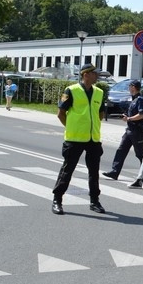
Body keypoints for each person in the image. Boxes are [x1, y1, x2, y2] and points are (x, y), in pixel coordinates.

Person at [51, 64, 106, 215]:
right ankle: (57, 199)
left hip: (93, 139)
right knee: (67, 170)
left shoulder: (99, 92)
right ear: (86, 74)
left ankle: (94, 201)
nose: (97, 76)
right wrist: (71, 127)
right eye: (95, 73)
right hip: (74, 138)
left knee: (94, 172)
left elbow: (100, 114)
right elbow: (61, 113)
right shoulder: (71, 90)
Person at [102, 80, 143, 182]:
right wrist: (127, 117)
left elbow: (142, 115)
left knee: (140, 154)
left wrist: (129, 118)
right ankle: (115, 172)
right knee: (121, 150)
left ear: (133, 87)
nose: (128, 88)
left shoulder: (140, 100)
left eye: (129, 86)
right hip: (129, 130)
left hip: (137, 131)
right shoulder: (133, 99)